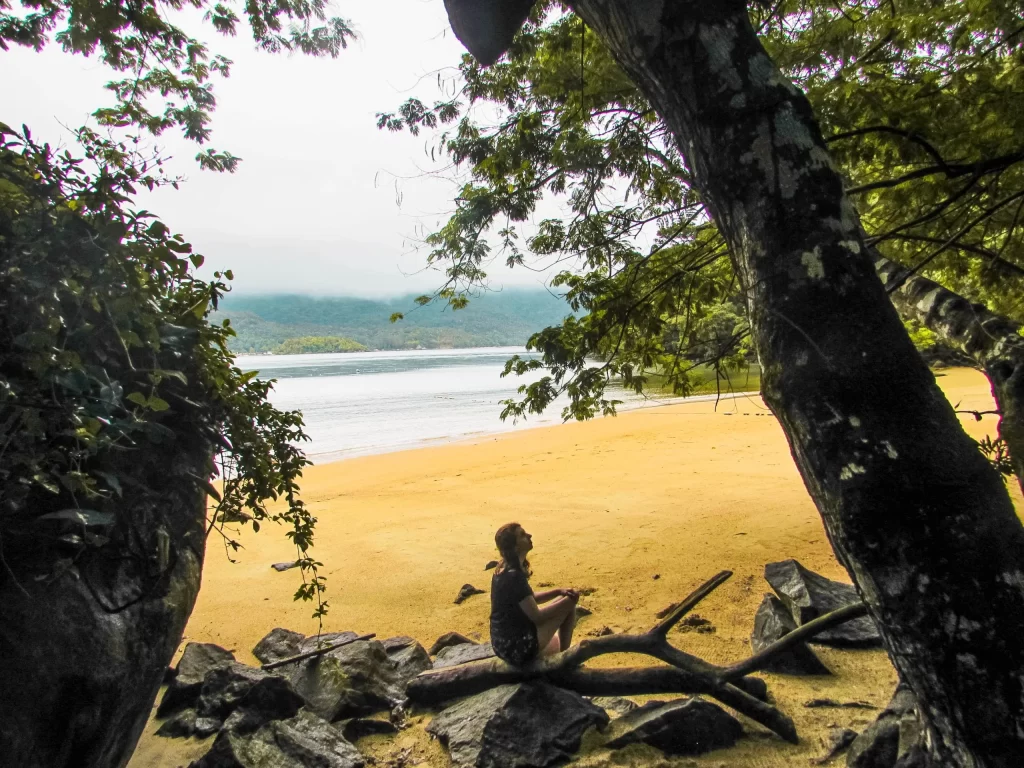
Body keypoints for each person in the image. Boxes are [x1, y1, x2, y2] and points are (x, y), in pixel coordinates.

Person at [489, 522, 579, 666]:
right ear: (516, 546)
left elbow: (529, 599)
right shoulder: (514, 577)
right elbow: (537, 617)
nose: (529, 536)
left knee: (565, 599)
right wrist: (568, 602)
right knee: (569, 602)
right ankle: (565, 661)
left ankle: (562, 654)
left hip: (502, 645)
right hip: (517, 648)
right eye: (523, 535)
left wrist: (558, 592)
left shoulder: (503, 570)